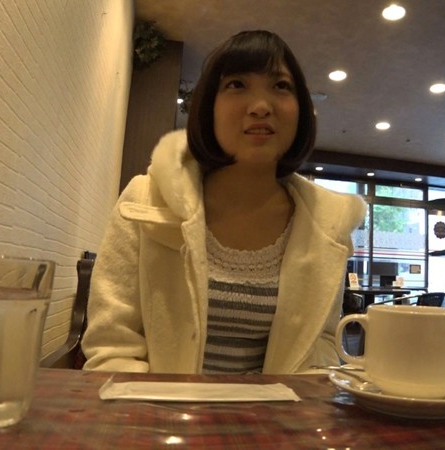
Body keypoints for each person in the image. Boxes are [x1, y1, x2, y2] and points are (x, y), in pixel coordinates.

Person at [81, 30, 366, 374]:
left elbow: (321, 345)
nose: (261, 106)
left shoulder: (327, 224)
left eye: (280, 86)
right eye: (236, 85)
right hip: (156, 406)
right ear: (209, 108)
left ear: (301, 110)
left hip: (276, 410)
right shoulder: (145, 201)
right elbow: (112, 346)